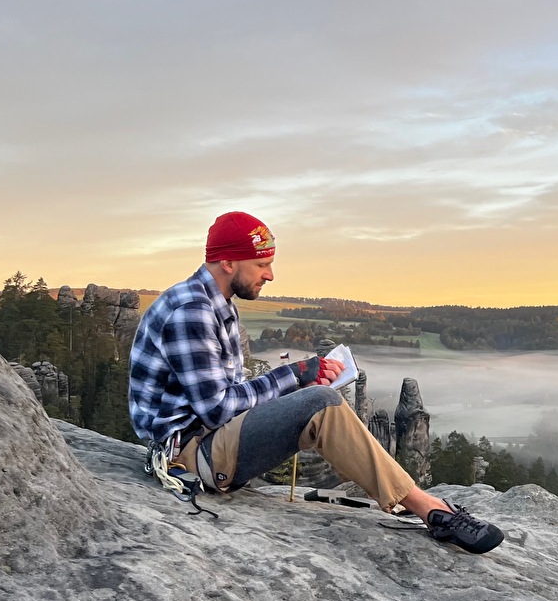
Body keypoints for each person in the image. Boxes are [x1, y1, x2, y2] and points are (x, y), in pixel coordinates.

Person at [128, 210, 503, 554]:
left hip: (209, 441)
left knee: (315, 400)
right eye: (261, 263)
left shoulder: (215, 303)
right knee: (319, 400)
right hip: (190, 457)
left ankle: (423, 505)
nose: (270, 274)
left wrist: (293, 392)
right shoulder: (191, 311)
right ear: (227, 262)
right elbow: (218, 408)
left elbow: (226, 399)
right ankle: (432, 511)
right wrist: (293, 375)